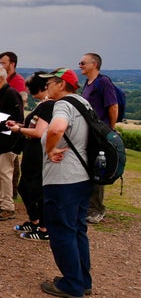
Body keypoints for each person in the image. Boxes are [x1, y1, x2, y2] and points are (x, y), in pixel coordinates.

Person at [37, 68, 93, 297]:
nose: (46, 87)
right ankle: (83, 280)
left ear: (61, 84)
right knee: (78, 230)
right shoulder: (84, 103)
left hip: (63, 179)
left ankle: (71, 284)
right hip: (83, 177)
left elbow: (58, 127)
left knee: (62, 232)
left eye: (49, 83)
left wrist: (49, 149)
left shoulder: (63, 105)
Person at [6, 72, 54, 241]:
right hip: (31, 152)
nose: (27, 89)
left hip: (38, 154)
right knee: (25, 188)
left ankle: (44, 228)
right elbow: (33, 126)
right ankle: (35, 221)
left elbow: (39, 132)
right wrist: (18, 125)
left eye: (30, 86)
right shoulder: (42, 104)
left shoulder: (48, 106)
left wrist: (19, 130)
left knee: (36, 191)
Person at [79, 53, 118, 224]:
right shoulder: (87, 84)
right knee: (88, 168)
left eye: (83, 62)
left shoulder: (103, 82)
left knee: (98, 169)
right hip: (89, 132)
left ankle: (97, 209)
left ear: (94, 64)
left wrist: (109, 129)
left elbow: (113, 105)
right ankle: (88, 205)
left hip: (99, 133)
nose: (79, 65)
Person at [0, 65, 24, 221]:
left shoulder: (11, 94)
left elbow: (17, 118)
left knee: (5, 173)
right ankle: (1, 202)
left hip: (9, 141)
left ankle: (8, 207)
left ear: (1, 77)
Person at [0, 51, 27, 199]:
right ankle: (4, 191)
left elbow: (21, 103)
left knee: (10, 160)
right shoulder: (2, 79)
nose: (1, 65)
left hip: (12, 123)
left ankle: (11, 190)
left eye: (4, 63)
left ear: (12, 64)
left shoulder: (18, 80)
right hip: (1, 121)